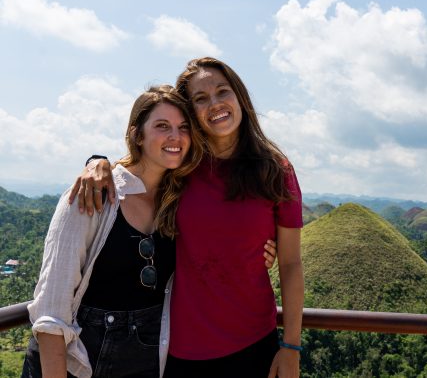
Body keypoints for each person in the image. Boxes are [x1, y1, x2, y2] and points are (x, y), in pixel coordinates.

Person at [22, 85, 279, 378]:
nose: (176, 136)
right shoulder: (94, 195)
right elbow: (51, 311)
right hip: (75, 364)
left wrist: (264, 248)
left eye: (183, 127)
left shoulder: (181, 201)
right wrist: (97, 162)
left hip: (146, 362)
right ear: (136, 134)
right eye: (162, 126)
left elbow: (219, 239)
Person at [74, 58, 304, 378]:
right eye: (199, 98)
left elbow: (291, 263)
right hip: (181, 349)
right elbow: (137, 167)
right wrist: (97, 162)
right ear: (190, 112)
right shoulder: (181, 167)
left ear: (240, 97)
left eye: (223, 91)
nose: (215, 103)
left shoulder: (275, 170)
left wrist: (291, 347)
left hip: (254, 343)